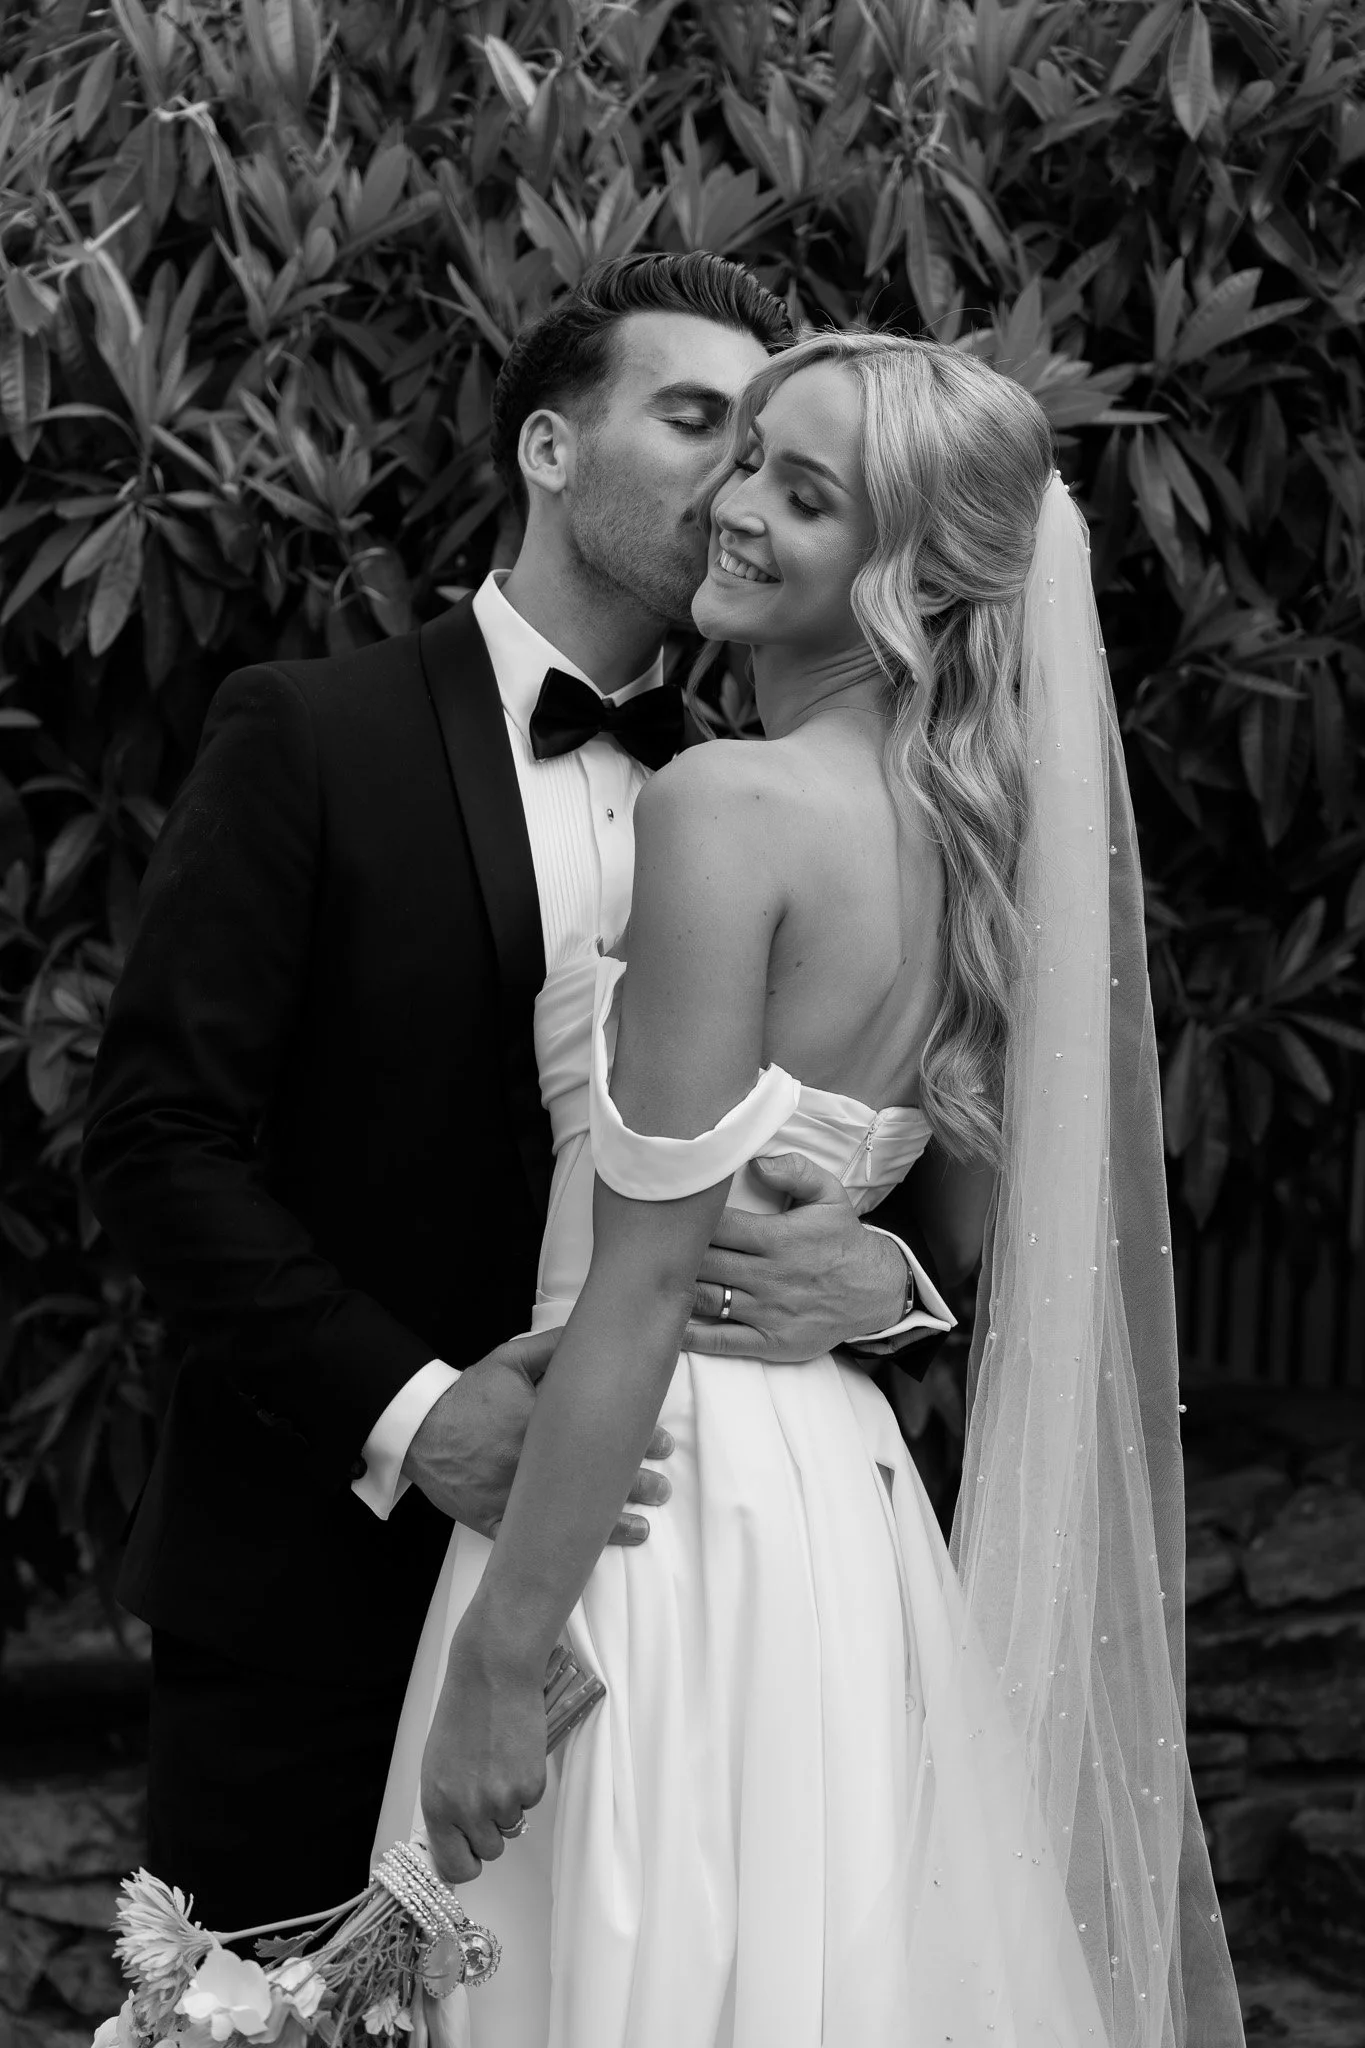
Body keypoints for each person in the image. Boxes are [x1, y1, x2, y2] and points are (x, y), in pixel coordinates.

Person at [380, 334, 1245, 2047]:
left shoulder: (730, 804)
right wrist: (886, 1285)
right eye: (747, 455)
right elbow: (977, 1234)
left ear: (906, 570)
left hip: (640, 1512)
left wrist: (501, 1657)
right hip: (840, 1529)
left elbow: (638, 1286)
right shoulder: (982, 845)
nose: (738, 506)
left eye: (804, 488)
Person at [80, 258, 954, 1935]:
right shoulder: (311, 734)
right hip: (322, 1584)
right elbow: (155, 1145)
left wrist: (886, 1280)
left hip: (673, 1600)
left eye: (767, 441)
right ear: (551, 449)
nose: (736, 478)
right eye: (696, 418)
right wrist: (422, 1416)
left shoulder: (779, 792)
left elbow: (889, 1128)